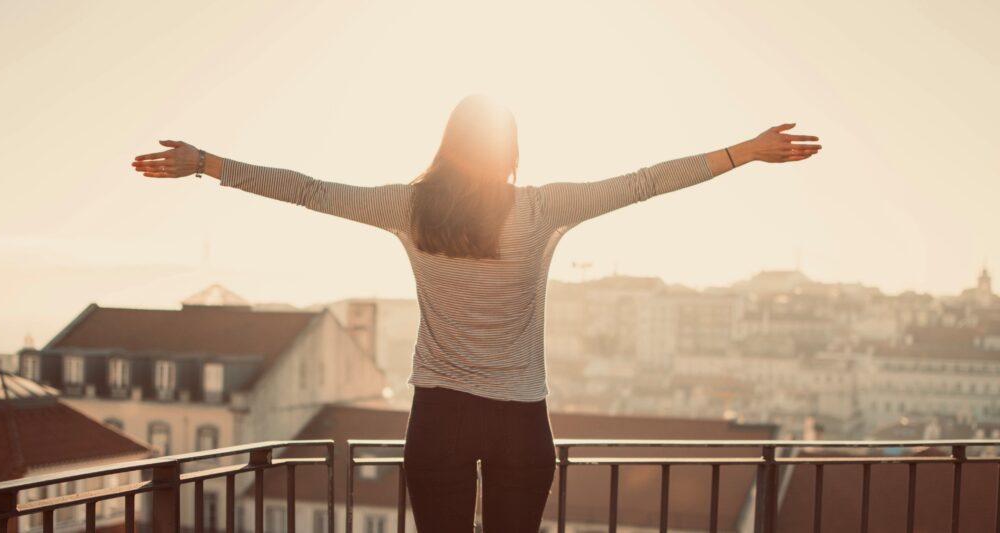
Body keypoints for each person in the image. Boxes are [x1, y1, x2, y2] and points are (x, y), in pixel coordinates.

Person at [132, 94, 821, 532]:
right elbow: (643, 183)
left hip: (438, 417)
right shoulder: (541, 208)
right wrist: (746, 153)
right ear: (511, 151)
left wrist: (206, 163)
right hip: (521, 418)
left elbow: (310, 191)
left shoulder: (409, 207)